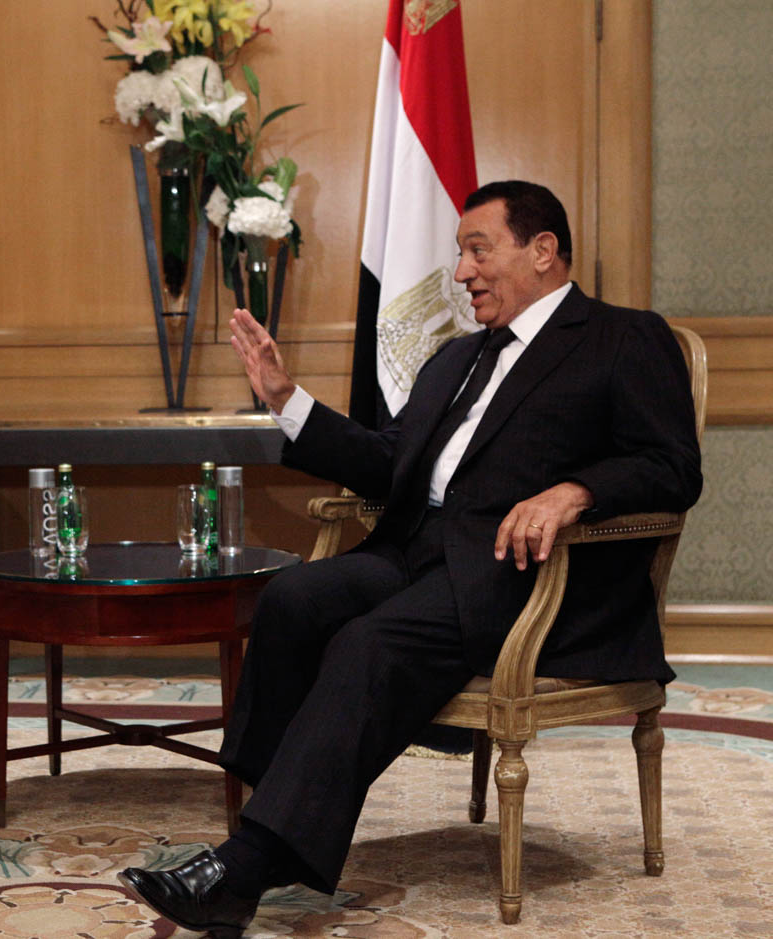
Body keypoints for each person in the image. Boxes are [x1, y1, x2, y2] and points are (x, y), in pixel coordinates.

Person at [118, 181, 703, 936]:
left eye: (477, 249)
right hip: (416, 554)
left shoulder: (624, 337)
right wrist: (287, 396)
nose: (461, 272)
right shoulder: (457, 358)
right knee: (293, 598)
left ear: (543, 250)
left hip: (522, 580)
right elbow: (391, 462)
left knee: (370, 644)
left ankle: (244, 867)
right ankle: (271, 822)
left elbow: (672, 467)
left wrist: (576, 491)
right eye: (460, 252)